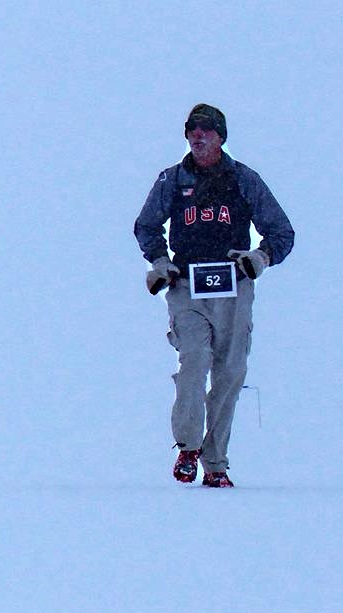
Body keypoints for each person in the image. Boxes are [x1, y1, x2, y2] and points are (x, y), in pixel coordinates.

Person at [135, 103, 294, 488]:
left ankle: (215, 461)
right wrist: (160, 261)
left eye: (207, 129)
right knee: (194, 359)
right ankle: (187, 446)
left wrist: (261, 256)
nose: (198, 135)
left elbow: (282, 232)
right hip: (187, 286)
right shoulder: (172, 181)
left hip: (232, 285)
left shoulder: (243, 179)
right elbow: (146, 225)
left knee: (230, 372)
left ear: (221, 136)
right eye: (192, 129)